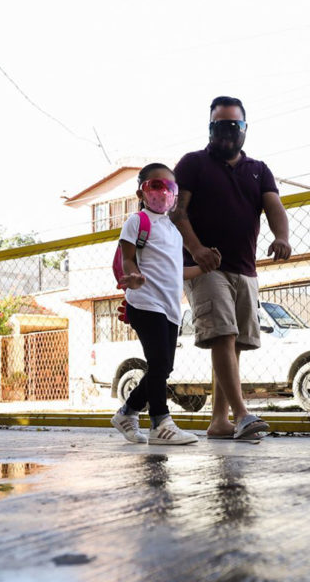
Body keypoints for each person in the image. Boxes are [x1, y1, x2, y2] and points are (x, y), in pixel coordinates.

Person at [171, 96, 292, 440]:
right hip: (204, 268)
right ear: (210, 129)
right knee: (222, 335)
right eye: (218, 126)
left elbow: (274, 207)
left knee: (234, 344)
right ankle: (242, 415)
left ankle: (219, 421)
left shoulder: (258, 169)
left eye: (232, 125)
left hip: (245, 268)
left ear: (244, 129)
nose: (225, 132)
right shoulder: (193, 163)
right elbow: (178, 212)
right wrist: (196, 249)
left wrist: (281, 237)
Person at [111, 163, 216, 445]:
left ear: (175, 194)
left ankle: (127, 412)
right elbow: (128, 258)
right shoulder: (137, 222)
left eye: (169, 188)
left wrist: (206, 268)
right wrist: (131, 275)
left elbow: (177, 271)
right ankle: (160, 423)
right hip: (145, 303)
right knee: (158, 363)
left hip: (170, 309)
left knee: (163, 367)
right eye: (155, 186)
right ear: (141, 192)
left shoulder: (173, 230)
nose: (162, 192)